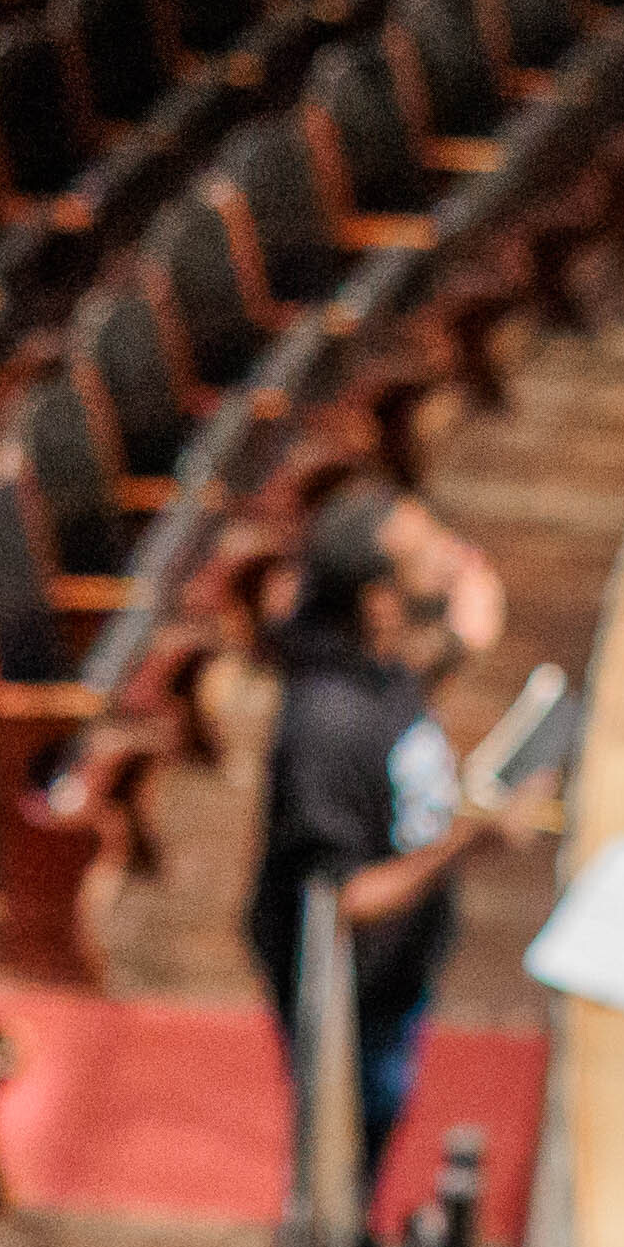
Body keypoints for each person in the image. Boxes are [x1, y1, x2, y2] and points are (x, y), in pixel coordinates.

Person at [247, 485, 547, 1156]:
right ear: (377, 600)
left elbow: (399, 699)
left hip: (400, 965)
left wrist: (463, 644)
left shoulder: (374, 664)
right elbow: (345, 897)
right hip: (354, 998)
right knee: (346, 1152)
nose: (450, 559)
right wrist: (470, 839)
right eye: (426, 556)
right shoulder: (324, 727)